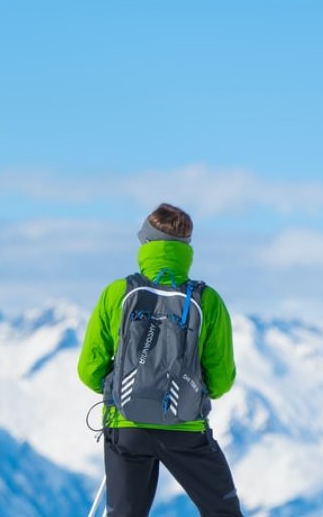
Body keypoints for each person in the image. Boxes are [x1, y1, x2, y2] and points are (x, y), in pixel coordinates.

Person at [77, 203, 243, 517]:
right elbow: (221, 378)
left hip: (127, 426)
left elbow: (89, 369)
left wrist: (121, 386)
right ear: (187, 248)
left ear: (145, 244)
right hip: (186, 427)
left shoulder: (117, 293)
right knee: (223, 512)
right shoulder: (207, 300)